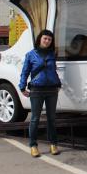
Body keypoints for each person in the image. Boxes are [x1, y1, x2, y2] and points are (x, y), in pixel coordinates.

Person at [19, 29, 62, 157]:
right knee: (35, 119)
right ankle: (33, 145)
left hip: (52, 90)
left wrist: (58, 83)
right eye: (45, 38)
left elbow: (53, 71)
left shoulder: (52, 54)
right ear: (40, 39)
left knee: (51, 119)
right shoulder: (30, 55)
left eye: (49, 39)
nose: (47, 41)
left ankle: (53, 144)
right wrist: (22, 87)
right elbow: (25, 72)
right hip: (36, 90)